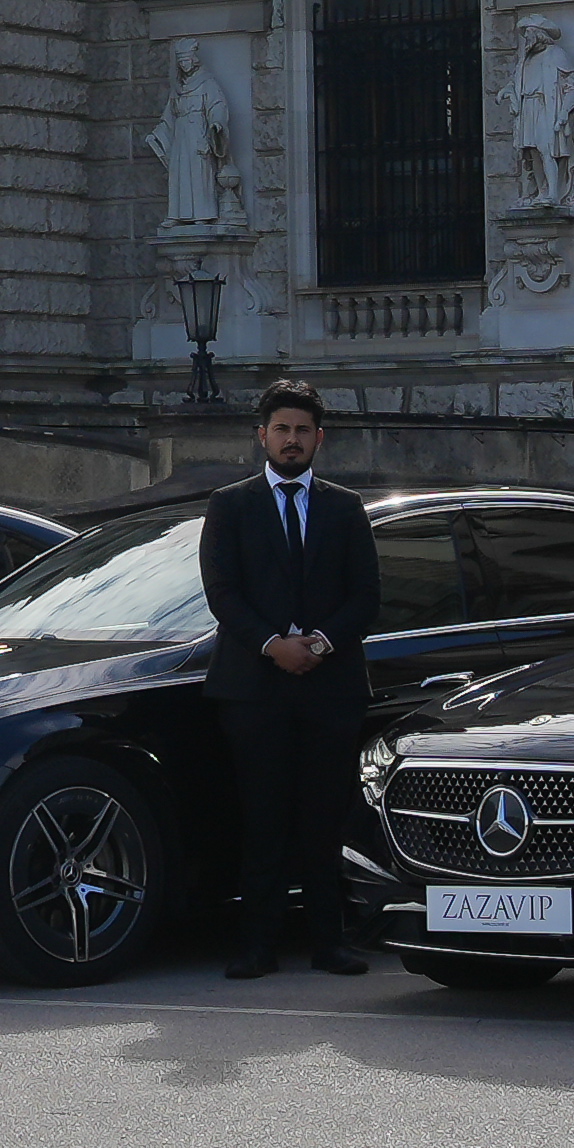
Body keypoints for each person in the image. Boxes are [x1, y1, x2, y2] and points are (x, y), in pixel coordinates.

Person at [195, 386, 382, 978]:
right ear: (262, 436)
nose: (292, 440)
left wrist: (319, 645)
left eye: (303, 430)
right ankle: (257, 945)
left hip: (331, 688)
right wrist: (273, 645)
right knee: (263, 816)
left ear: (319, 438)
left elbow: (367, 596)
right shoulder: (230, 505)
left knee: (324, 818)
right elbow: (221, 591)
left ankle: (330, 942)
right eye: (281, 429)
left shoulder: (346, 508)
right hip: (254, 687)